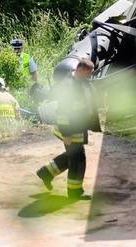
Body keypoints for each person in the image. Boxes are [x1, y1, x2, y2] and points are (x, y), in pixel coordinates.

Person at [35, 58, 100, 200]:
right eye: (88, 73)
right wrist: (66, 134)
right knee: (78, 159)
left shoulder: (81, 81)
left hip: (77, 127)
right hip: (69, 129)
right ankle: (75, 192)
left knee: (72, 155)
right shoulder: (68, 86)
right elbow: (62, 113)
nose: (90, 76)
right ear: (80, 70)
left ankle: (46, 172)